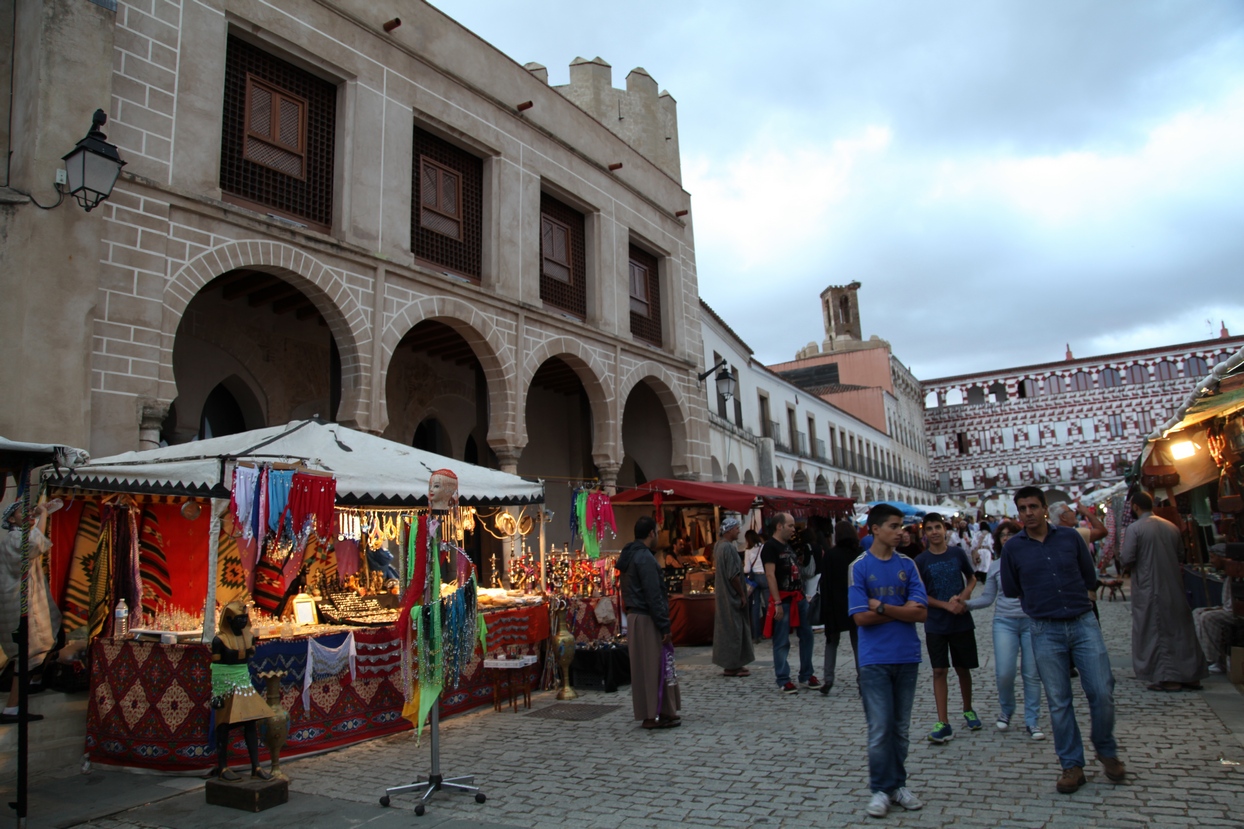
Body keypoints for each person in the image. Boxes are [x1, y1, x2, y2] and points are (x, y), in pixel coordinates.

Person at [1002, 486, 1124, 794]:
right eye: (1022, 508)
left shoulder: (1070, 538)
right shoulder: (1013, 548)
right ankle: (1072, 765)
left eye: (1032, 506)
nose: (1027, 512)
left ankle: (1105, 748)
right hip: (1044, 629)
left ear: (1044, 508)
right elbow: (1012, 588)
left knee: (1102, 689)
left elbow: (1088, 575)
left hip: (1083, 622)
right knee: (1059, 701)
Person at [848, 503, 928, 818]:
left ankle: (898, 784)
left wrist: (882, 607)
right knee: (880, 727)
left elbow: (921, 613)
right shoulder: (859, 567)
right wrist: (899, 610)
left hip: (906, 655)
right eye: (894, 526)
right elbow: (860, 618)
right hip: (874, 659)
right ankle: (881, 788)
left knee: (901, 728)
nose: (901, 532)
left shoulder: (908, 565)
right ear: (876, 529)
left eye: (901, 526)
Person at [964, 520, 1045, 740]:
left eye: (1011, 534)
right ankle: (1007, 709)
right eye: (1003, 535)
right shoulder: (996, 566)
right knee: (1004, 673)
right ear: (998, 540)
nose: (1007, 538)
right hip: (1004, 623)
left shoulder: (1032, 559)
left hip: (1031, 622)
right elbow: (988, 598)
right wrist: (966, 604)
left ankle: (1032, 720)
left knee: (1031, 673)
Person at [1118, 492, 1208, 691]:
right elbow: (1180, 554)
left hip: (1150, 587)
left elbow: (1127, 558)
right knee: (1180, 629)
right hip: (1174, 585)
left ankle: (1168, 677)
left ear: (1135, 507)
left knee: (1157, 630)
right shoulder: (1171, 526)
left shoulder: (1135, 528)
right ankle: (1191, 675)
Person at [914, 513, 979, 743]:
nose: (934, 532)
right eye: (930, 528)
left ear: (945, 529)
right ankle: (943, 720)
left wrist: (964, 597)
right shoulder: (921, 561)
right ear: (925, 534)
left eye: (938, 527)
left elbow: (972, 578)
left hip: (960, 619)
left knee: (963, 668)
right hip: (936, 623)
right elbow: (920, 593)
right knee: (939, 670)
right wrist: (945, 605)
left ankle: (968, 708)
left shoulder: (957, 553)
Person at [616, 515, 681, 729]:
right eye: (657, 531)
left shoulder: (630, 554)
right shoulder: (643, 557)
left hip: (637, 615)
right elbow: (653, 594)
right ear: (651, 533)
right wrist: (664, 625)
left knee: (647, 667)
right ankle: (653, 714)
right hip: (646, 617)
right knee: (654, 666)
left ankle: (660, 710)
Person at [0, 501, 60, 724]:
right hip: (19, 602)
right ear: (11, 520)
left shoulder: (18, 536)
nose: (26, 515)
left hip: (24, 599)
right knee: (26, 652)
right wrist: (42, 514)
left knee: (38, 646)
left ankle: (32, 683)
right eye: (20, 513)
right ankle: (12, 707)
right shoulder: (16, 538)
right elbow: (35, 544)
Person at [210, 602, 274, 780]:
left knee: (250, 722)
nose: (242, 622)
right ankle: (223, 767)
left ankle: (256, 766)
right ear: (229, 620)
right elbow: (216, 666)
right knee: (223, 724)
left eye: (244, 619)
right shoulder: (219, 640)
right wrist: (216, 693)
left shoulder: (249, 636)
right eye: (239, 619)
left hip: (243, 681)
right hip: (225, 682)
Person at [762, 512, 820, 693]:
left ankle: (806, 673)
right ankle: (783, 678)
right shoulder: (770, 547)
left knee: (807, 635)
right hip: (784, 599)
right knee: (781, 640)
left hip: (798, 597)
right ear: (779, 526)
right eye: (790, 525)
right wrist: (777, 602)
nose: (793, 529)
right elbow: (770, 575)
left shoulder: (788, 546)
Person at [819, 519, 861, 696]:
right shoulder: (860, 554)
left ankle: (828, 679)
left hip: (835, 605)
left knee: (831, 643)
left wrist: (825, 609)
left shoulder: (830, 555)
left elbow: (825, 584)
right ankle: (863, 679)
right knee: (858, 644)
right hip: (856, 603)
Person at [712, 518, 754, 677]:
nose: (738, 531)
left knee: (735, 628)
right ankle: (731, 666)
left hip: (725, 595)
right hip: (730, 595)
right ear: (729, 530)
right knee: (733, 629)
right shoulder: (727, 548)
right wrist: (742, 594)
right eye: (736, 528)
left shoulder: (719, 546)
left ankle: (737, 662)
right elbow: (733, 575)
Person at [1200, 547, 1244, 674]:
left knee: (1208, 618)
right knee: (1198, 613)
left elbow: (1231, 607)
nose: (1211, 561)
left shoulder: (1237, 572)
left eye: (1213, 557)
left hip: (1235, 612)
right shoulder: (1231, 575)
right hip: (1231, 609)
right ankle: (1204, 656)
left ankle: (1212, 659)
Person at [742, 529, 767, 642]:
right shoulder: (764, 547)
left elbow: (747, 569)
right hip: (765, 577)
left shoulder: (748, 551)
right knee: (769, 605)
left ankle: (756, 635)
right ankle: (770, 631)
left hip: (755, 578)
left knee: (755, 607)